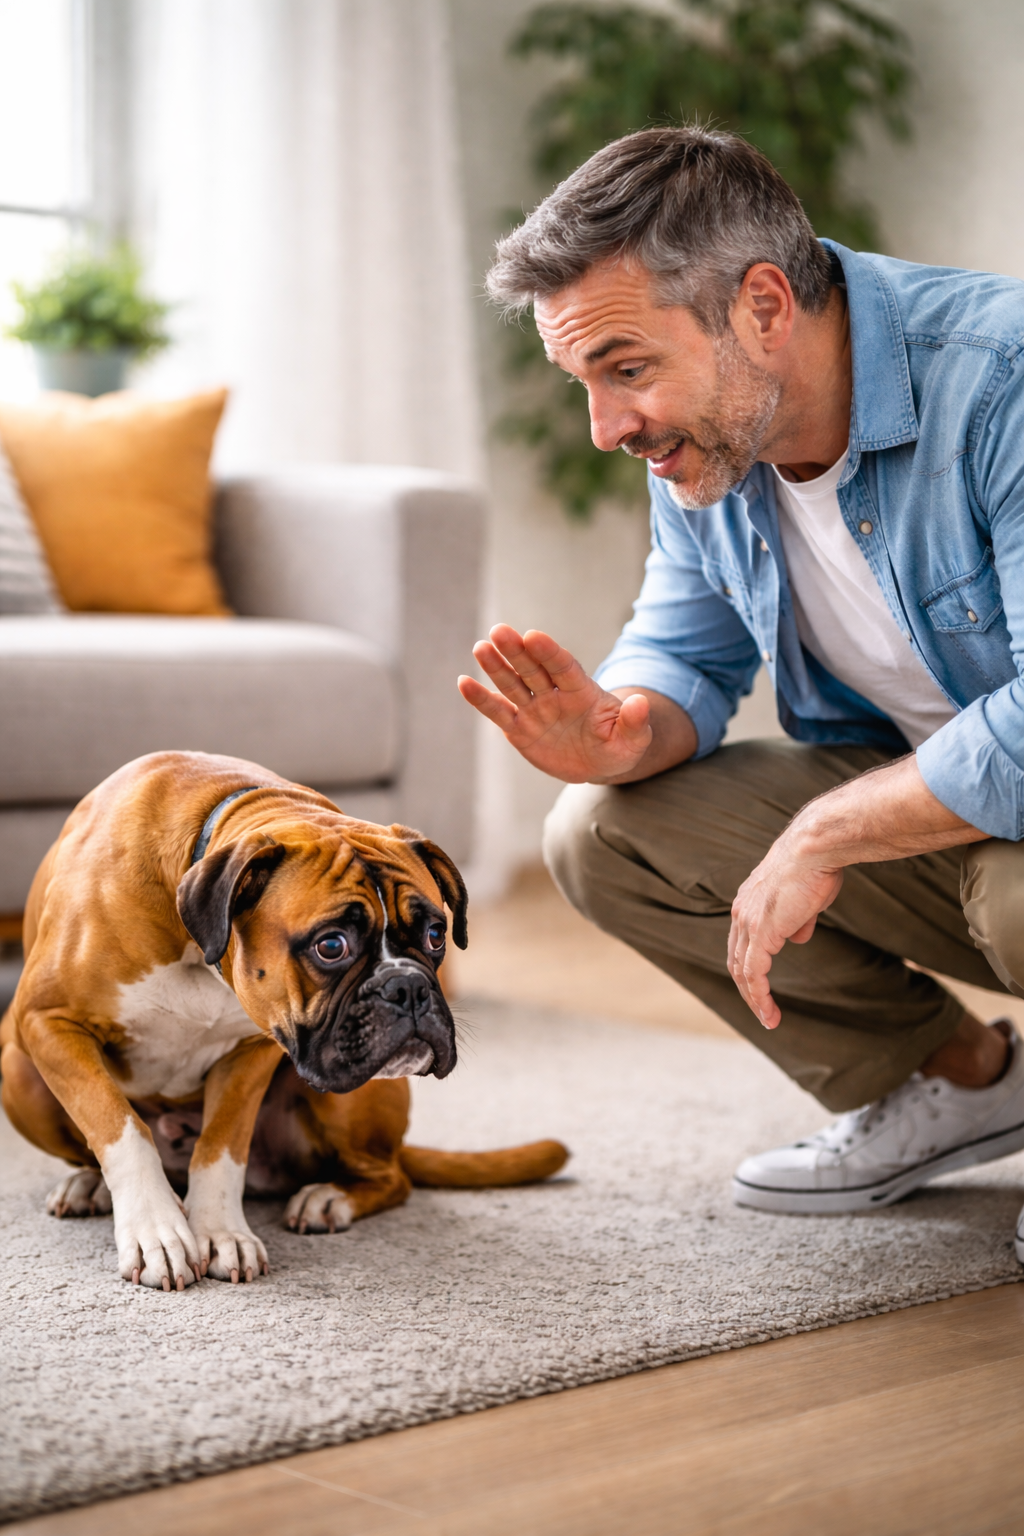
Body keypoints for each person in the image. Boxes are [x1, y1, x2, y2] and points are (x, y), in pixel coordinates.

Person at [459, 125, 1024, 1244]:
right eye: (584, 382)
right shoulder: (713, 438)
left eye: (626, 369)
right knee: (602, 828)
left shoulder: (999, 377)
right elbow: (685, 652)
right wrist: (618, 735)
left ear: (763, 305)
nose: (607, 427)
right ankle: (963, 1085)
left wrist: (823, 835)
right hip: (944, 821)